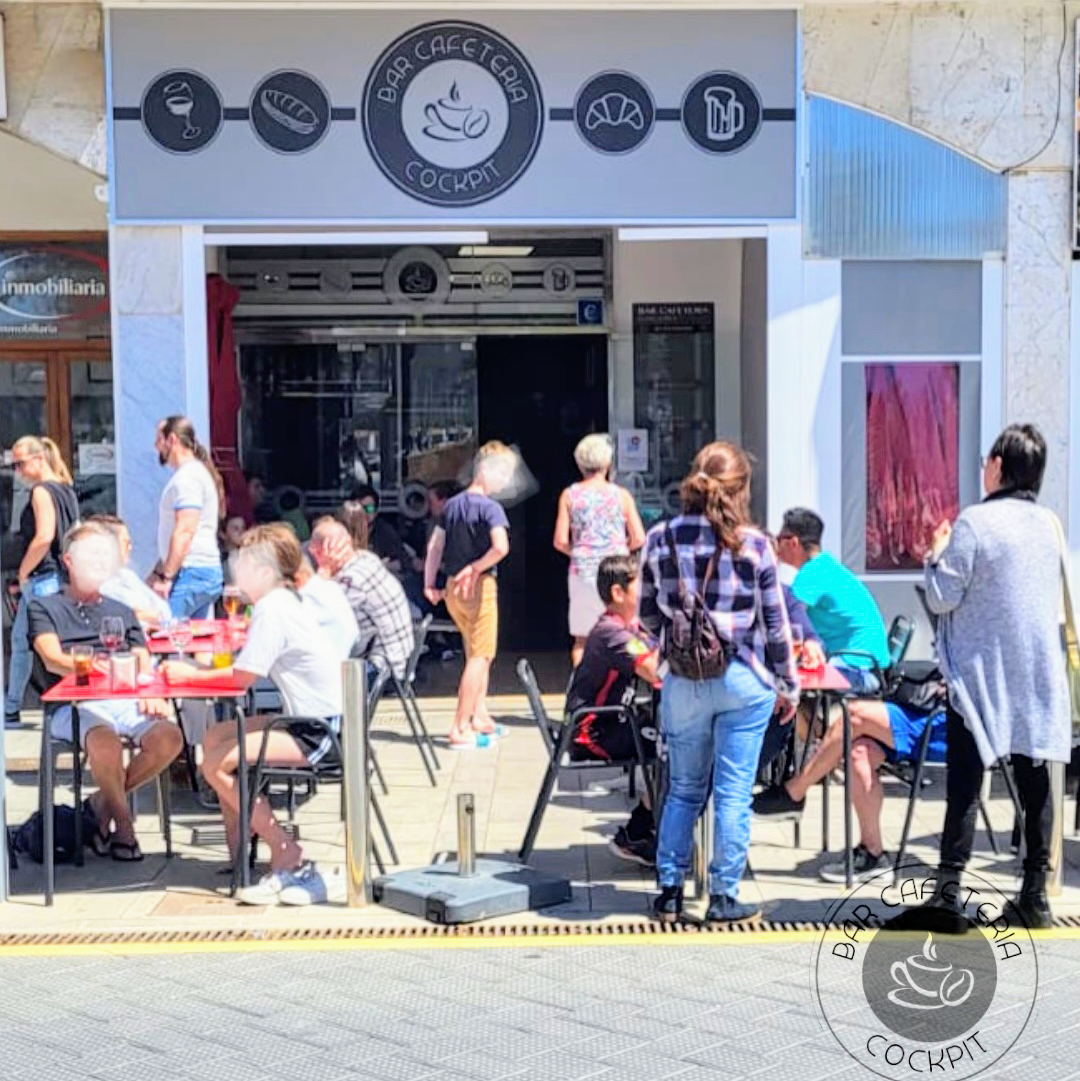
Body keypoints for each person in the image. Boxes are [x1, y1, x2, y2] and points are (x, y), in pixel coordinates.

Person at [908, 424, 1071, 931]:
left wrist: (936, 551)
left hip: (981, 674)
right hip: (1036, 668)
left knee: (964, 782)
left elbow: (942, 598)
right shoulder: (1048, 523)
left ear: (999, 466)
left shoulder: (975, 522)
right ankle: (1035, 894)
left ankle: (950, 894)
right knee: (1033, 779)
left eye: (987, 460)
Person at [641, 442, 798, 924]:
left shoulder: (662, 537)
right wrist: (788, 685)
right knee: (732, 792)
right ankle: (724, 896)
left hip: (684, 682)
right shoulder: (756, 546)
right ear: (742, 489)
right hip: (741, 678)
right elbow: (775, 625)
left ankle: (670, 889)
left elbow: (647, 614)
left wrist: (674, 642)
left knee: (684, 788)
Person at [162, 525, 344, 905]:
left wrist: (191, 675)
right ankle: (241, 855)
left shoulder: (273, 608)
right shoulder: (284, 601)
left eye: (241, 563)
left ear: (263, 571)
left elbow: (242, 679)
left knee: (214, 765)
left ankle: (286, 852)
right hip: (316, 718)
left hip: (320, 733)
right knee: (216, 738)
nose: (235, 570)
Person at [29, 522, 182, 861]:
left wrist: (152, 691)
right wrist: (93, 667)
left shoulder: (120, 608)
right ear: (69, 560)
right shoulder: (45, 607)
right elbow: (53, 658)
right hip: (73, 703)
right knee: (104, 742)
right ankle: (124, 828)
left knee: (170, 737)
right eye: (92, 553)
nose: (102, 560)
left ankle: (101, 803)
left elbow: (143, 659)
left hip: (124, 698)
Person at [753, 693, 947, 882]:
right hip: (918, 707)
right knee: (859, 753)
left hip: (947, 721)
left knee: (854, 714)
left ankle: (794, 792)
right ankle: (873, 853)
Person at [566, 555, 661, 866]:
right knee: (675, 748)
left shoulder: (625, 626)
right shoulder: (613, 633)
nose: (648, 593)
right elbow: (655, 670)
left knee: (672, 740)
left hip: (613, 721)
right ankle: (636, 835)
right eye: (641, 587)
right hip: (591, 732)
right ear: (619, 593)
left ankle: (653, 825)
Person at [423, 442, 514, 748]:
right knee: (480, 656)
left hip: (452, 589)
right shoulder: (491, 508)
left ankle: (480, 715)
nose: (505, 482)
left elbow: (435, 546)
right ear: (487, 471)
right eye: (503, 475)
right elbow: (501, 548)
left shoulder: (451, 506)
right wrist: (476, 568)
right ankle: (460, 726)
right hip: (480, 586)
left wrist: (429, 583)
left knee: (473, 649)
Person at [4, 436, 80, 728]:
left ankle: (13, 709)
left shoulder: (41, 492)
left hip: (43, 576)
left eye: (21, 463)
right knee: (51, 642)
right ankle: (65, 704)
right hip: (62, 575)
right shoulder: (67, 490)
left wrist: (24, 571)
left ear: (39, 459)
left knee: (25, 642)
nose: (18, 470)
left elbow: (44, 536)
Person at [554, 434, 646, 667]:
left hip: (584, 572)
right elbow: (639, 537)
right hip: (617, 573)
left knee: (583, 640)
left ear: (579, 464)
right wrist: (619, 548)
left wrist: (581, 551)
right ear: (608, 463)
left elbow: (560, 541)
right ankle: (624, 689)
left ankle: (582, 693)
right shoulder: (621, 495)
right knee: (625, 633)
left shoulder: (570, 495)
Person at [776, 508, 889, 693]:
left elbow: (784, 619)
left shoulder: (811, 574)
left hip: (855, 670)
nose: (776, 546)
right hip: (870, 667)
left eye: (778, 540)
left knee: (779, 686)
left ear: (793, 543)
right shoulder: (826, 566)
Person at [308, 516, 414, 681]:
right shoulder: (366, 559)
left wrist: (323, 572)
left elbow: (321, 621)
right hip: (400, 660)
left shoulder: (350, 581)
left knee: (309, 674)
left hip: (382, 669)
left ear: (320, 551)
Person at [151, 416, 225, 618]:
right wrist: (159, 571)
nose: (156, 446)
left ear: (172, 440)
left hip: (190, 572)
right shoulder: (195, 474)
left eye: (159, 439)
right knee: (196, 642)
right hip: (199, 570)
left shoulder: (188, 479)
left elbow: (185, 530)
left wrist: (167, 577)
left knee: (168, 635)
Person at [91, 515, 173, 628]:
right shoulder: (99, 585)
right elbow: (115, 620)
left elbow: (165, 611)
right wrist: (141, 616)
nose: (130, 548)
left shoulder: (127, 576)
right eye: (126, 543)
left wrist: (142, 615)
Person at [349, 484, 409, 576]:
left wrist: (380, 566)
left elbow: (402, 562)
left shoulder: (385, 531)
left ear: (376, 511)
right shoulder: (343, 532)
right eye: (360, 509)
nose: (364, 513)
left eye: (369, 508)